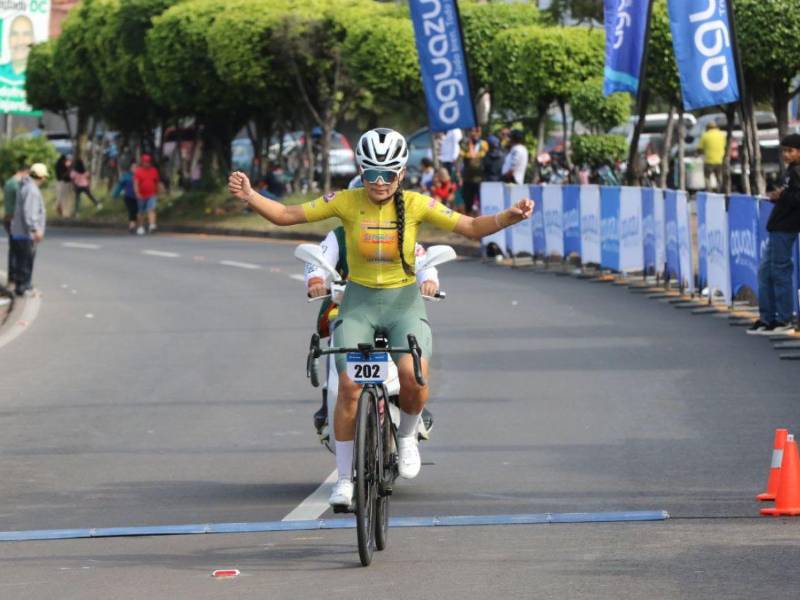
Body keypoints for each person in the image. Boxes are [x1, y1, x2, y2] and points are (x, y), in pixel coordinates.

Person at [228, 127, 533, 507]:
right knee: (349, 387)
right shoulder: (345, 200)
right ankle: (344, 479)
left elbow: (470, 226)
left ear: (402, 173)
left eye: (389, 174)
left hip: (404, 305)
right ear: (361, 170)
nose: (380, 182)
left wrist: (509, 217)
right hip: (358, 306)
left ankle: (406, 437)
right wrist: (251, 195)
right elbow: (288, 214)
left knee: (413, 377)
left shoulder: (418, 204)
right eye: (372, 173)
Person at [306, 226, 439, 444]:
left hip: (395, 308)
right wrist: (315, 281)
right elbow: (318, 260)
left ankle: (414, 408)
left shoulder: (401, 227)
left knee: (413, 355)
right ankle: (328, 401)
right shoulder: (340, 234)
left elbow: (422, 260)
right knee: (338, 339)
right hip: (350, 307)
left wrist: (429, 281)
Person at [748, 134, 800, 336]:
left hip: (786, 226)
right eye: (784, 151)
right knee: (766, 272)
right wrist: (781, 195)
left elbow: (796, 197)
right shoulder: (791, 171)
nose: (786, 154)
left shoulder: (796, 171)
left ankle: (783, 319)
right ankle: (768, 318)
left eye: (791, 150)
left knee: (779, 272)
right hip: (779, 225)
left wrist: (782, 196)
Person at [9, 163, 48, 297]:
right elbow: (30, 212)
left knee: (22, 261)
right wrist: (35, 229)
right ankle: (24, 287)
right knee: (25, 261)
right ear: (41, 177)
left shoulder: (25, 186)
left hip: (20, 232)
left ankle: (22, 286)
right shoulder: (31, 190)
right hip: (25, 234)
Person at [3, 163, 28, 288]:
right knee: (17, 250)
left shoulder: (8, 182)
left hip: (7, 217)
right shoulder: (16, 185)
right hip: (14, 219)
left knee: (12, 248)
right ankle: (14, 277)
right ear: (23, 172)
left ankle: (11, 277)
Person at [459, 127, 489, 215]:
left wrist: (473, 154)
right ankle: (467, 221)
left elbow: (484, 154)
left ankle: (481, 220)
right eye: (472, 131)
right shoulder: (465, 144)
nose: (474, 133)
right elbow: (462, 154)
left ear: (480, 132)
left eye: (477, 131)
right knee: (468, 201)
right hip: (467, 178)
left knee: (481, 201)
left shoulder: (483, 144)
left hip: (480, 179)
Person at [134, 153, 161, 235]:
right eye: (145, 162)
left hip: (151, 194)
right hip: (141, 195)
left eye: (148, 162)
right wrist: (137, 193)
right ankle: (140, 227)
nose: (147, 163)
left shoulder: (154, 170)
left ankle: (152, 226)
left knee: (151, 209)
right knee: (141, 212)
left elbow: (157, 182)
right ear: (142, 162)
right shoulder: (138, 171)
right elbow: (136, 183)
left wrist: (158, 193)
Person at [698, 121, 726, 192]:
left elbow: (699, 149)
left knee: (707, 177)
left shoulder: (705, 135)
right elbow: (725, 146)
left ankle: (709, 191)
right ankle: (720, 191)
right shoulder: (721, 135)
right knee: (719, 177)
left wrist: (700, 154)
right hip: (720, 161)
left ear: (708, 128)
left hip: (709, 161)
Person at [113, 161, 139, 234]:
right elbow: (119, 186)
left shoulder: (140, 175)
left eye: (136, 167)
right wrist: (115, 194)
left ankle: (135, 226)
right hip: (128, 196)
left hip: (138, 197)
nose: (135, 169)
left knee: (136, 211)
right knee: (132, 211)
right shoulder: (126, 176)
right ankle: (132, 226)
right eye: (133, 167)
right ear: (130, 168)